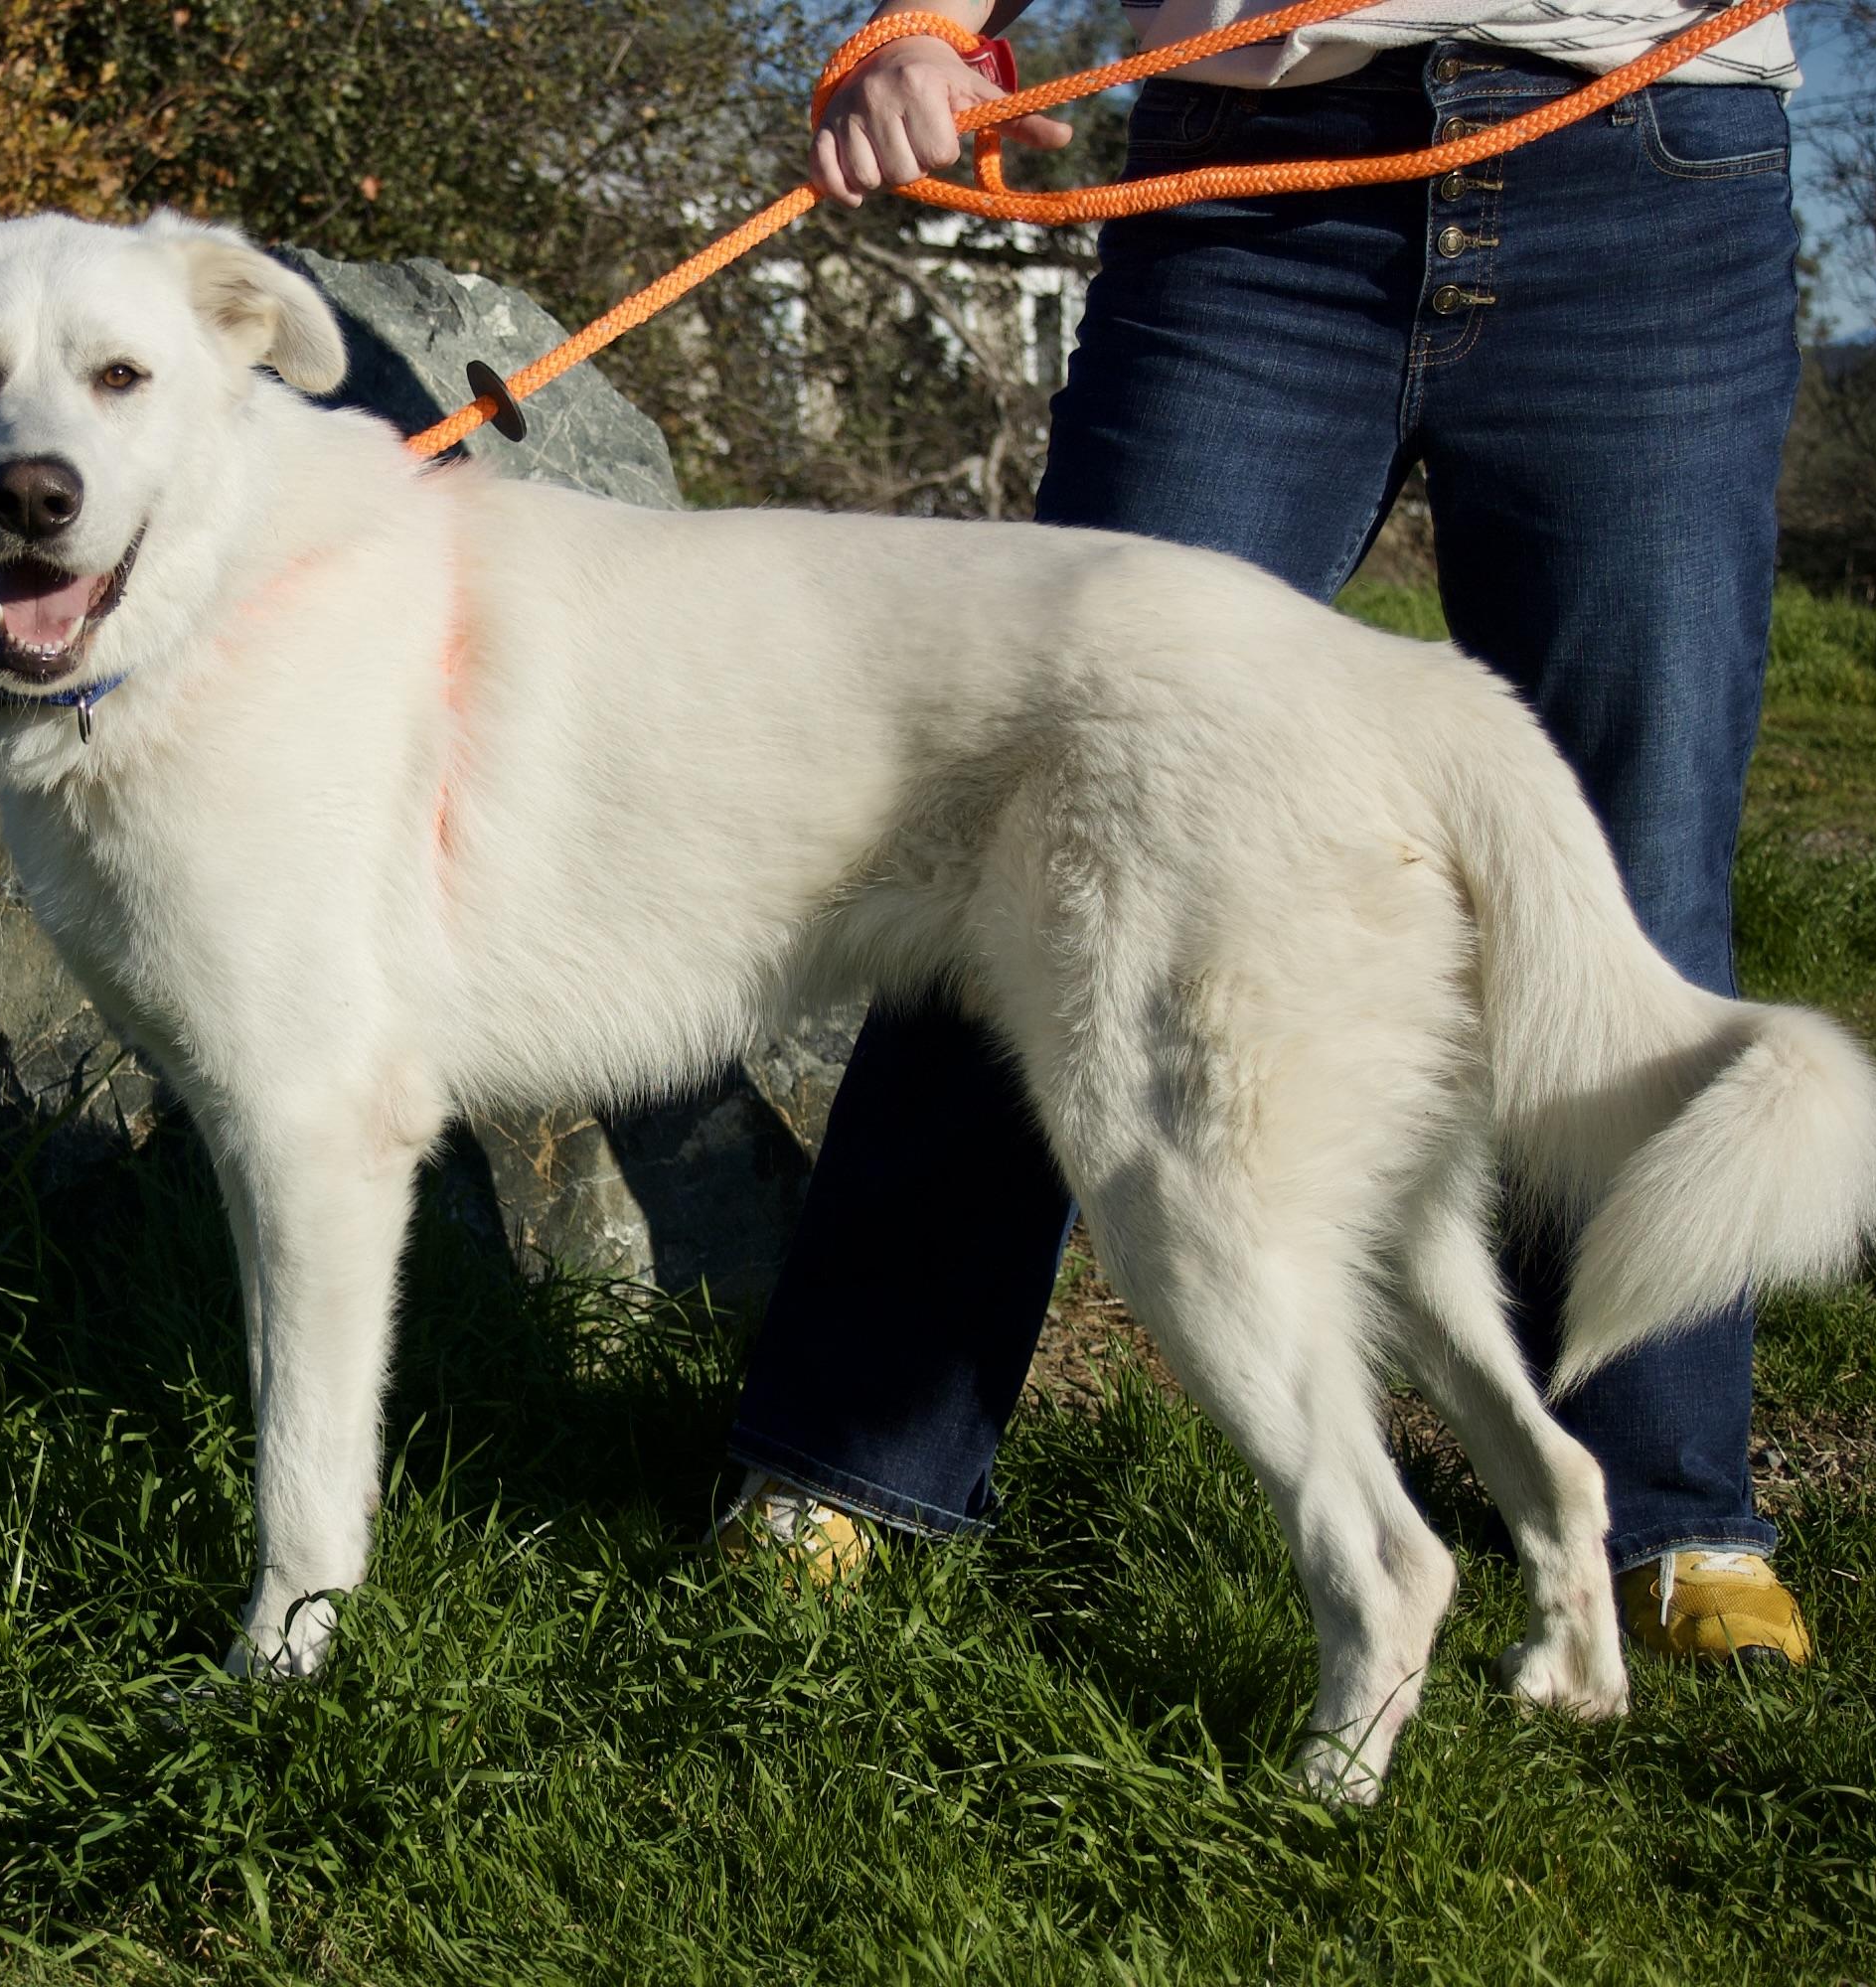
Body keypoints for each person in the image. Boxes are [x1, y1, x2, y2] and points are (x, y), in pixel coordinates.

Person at [718, 0, 1813, 1664]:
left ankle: (1663, 1506)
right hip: (1249, 174)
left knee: (1631, 840)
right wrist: (924, 27)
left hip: (1647, 153)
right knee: (1029, 809)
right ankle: (858, 1463)